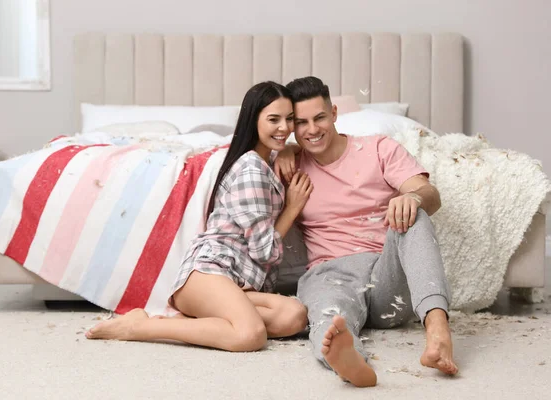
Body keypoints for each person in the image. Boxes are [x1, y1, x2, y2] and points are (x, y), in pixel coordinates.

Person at [86, 81, 313, 352]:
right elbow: (264, 252)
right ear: (253, 120)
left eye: (289, 119)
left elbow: (300, 144)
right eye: (273, 119)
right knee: (250, 335)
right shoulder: (252, 169)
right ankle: (140, 326)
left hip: (239, 283)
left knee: (294, 315)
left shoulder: (266, 161)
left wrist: (289, 148)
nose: (284, 128)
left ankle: (207, 319)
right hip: (210, 274)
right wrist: (292, 207)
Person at [274, 76, 458, 387]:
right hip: (330, 274)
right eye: (301, 123)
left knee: (416, 214)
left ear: (334, 113)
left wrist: (412, 197)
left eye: (319, 117)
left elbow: (431, 195)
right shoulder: (289, 166)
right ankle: (351, 360)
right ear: (292, 127)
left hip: (388, 280)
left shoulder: (378, 148)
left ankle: (438, 331)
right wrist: (282, 150)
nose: (312, 130)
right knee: (330, 317)